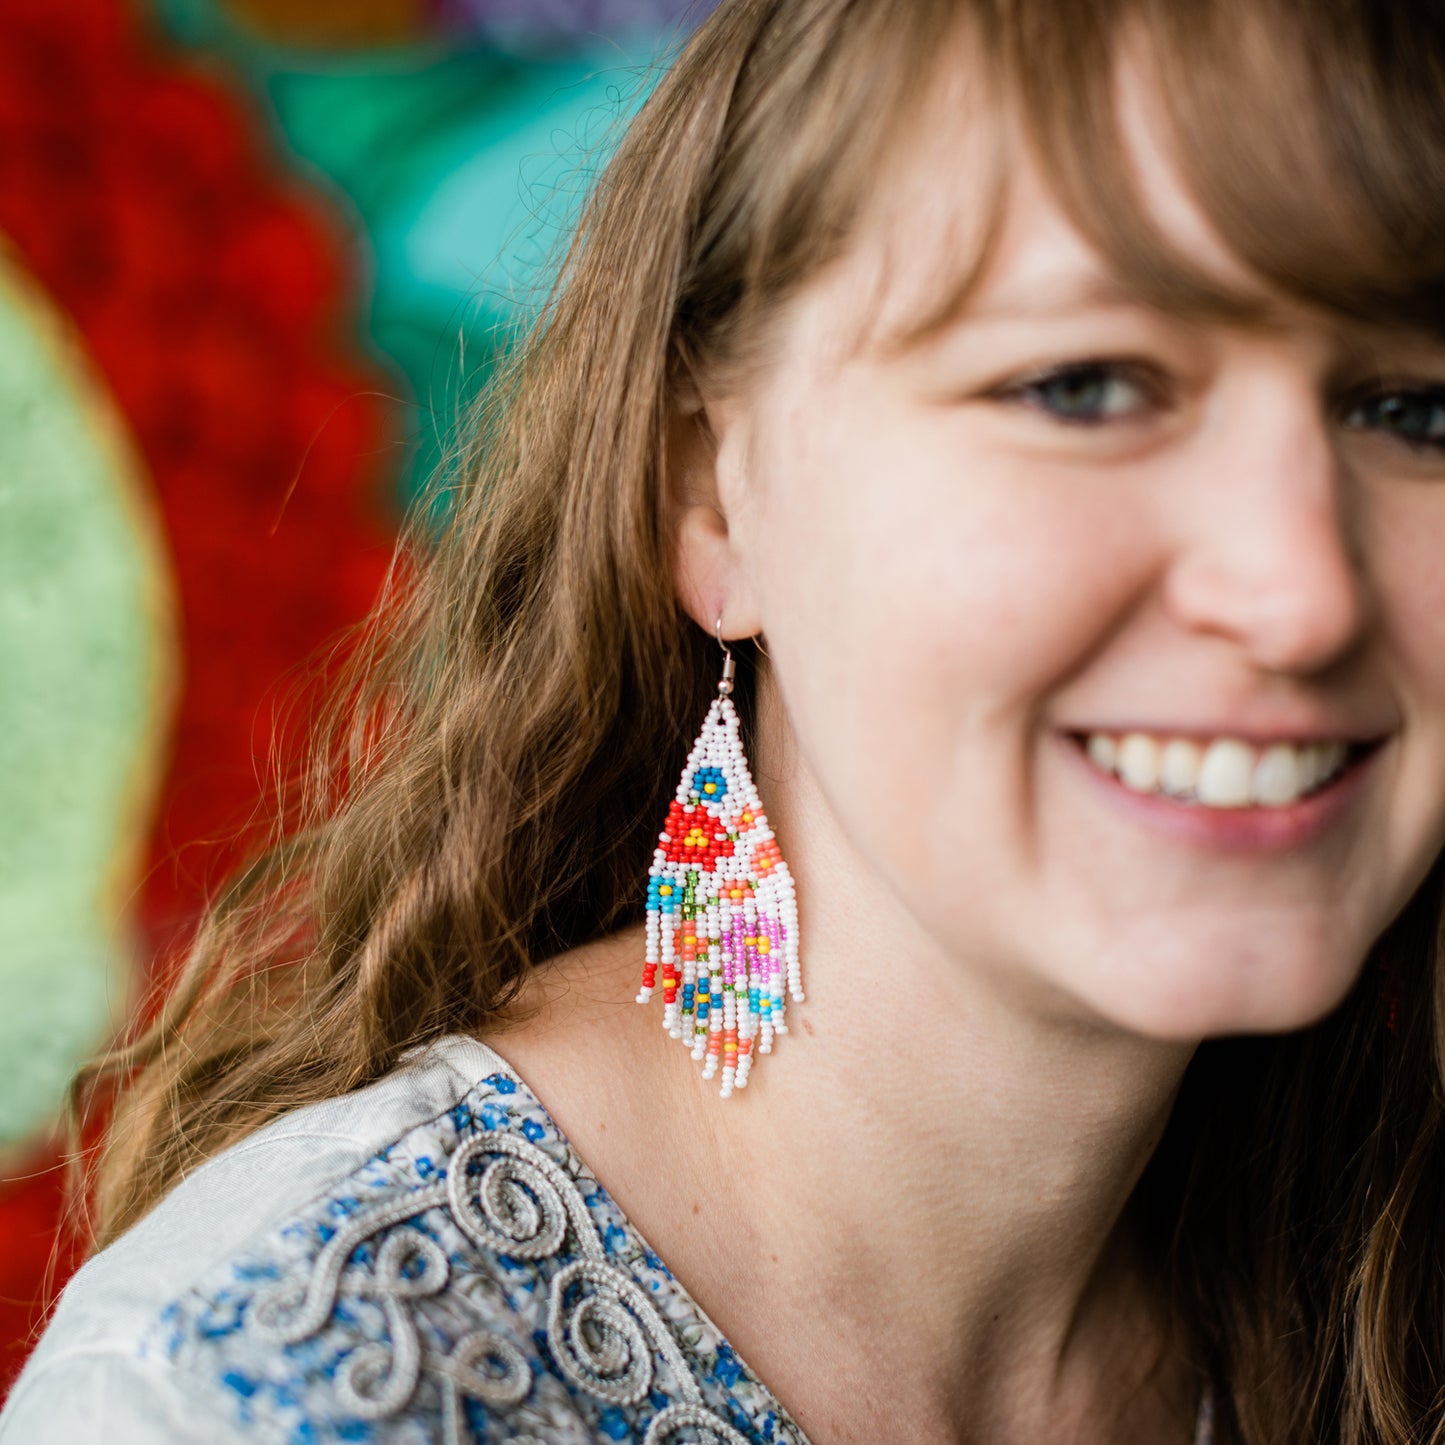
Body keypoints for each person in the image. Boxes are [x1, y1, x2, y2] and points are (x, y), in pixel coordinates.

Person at [6, 0, 1445, 1439]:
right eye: (1084, 388)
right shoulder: (248, 1395)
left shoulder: (1377, 1283)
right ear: (711, 496)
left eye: (1414, 411)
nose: (1299, 594)